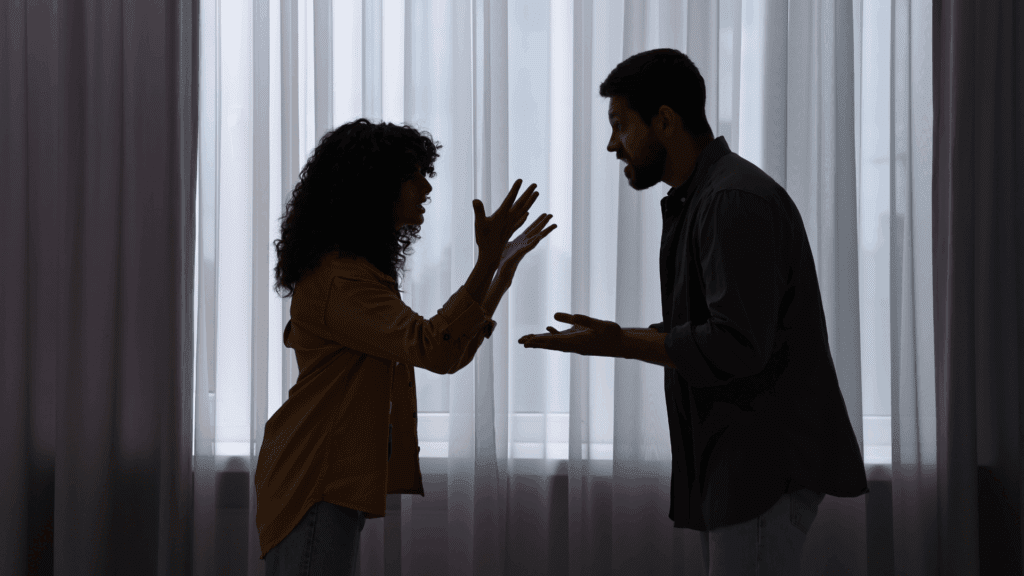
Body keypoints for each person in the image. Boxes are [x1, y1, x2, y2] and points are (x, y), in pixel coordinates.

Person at [518, 48, 869, 575]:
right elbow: (713, 332)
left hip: (762, 467)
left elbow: (735, 345)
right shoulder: (704, 197)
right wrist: (619, 339)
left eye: (621, 125)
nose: (613, 144)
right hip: (742, 467)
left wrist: (617, 342)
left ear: (665, 120)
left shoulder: (732, 201)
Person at [255, 119, 556, 575]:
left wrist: (499, 275)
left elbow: (446, 355)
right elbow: (433, 347)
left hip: (325, 478)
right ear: (373, 186)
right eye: (413, 174)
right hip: (314, 477)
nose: (427, 185)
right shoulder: (341, 281)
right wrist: (487, 262)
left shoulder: (354, 273)